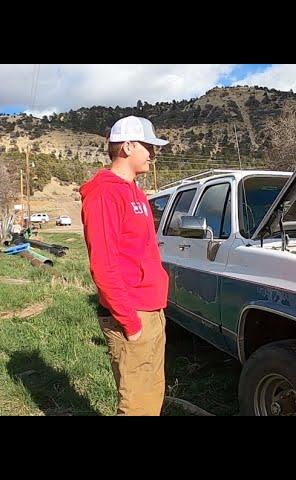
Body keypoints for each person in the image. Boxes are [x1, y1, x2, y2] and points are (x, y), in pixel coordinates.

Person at [80, 116, 169, 415]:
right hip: (132, 314)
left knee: (150, 397)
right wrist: (130, 323)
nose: (153, 155)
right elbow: (103, 266)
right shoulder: (105, 193)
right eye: (148, 147)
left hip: (151, 310)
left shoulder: (136, 192)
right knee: (137, 407)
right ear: (128, 147)